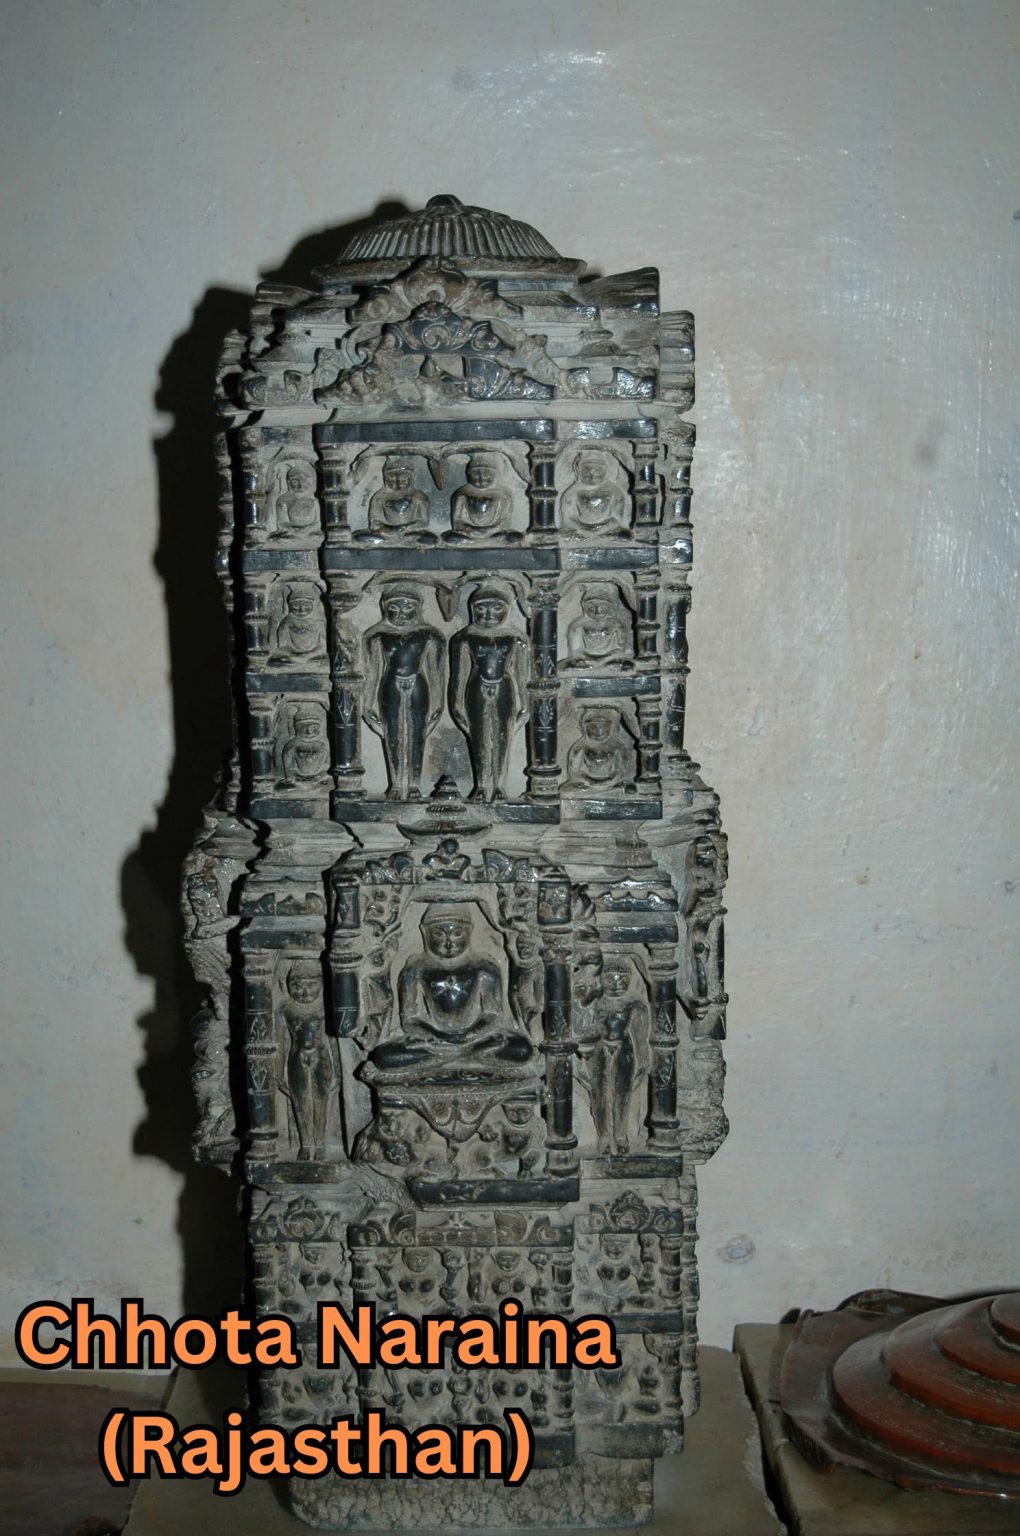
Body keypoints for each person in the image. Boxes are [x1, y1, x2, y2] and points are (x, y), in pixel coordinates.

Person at [372, 907, 532, 1070]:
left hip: (475, 1037)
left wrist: (468, 1036)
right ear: (424, 932)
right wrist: (438, 1036)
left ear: (470, 931)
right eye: (438, 934)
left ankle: (451, 1054)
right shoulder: (415, 970)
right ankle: (466, 1052)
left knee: (522, 1050)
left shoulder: (485, 968)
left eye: (457, 934)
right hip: (434, 1039)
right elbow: (410, 1020)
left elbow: (492, 1015)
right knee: (385, 1057)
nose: (448, 943)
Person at [364, 586, 444, 800]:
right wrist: (367, 705)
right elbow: (372, 673)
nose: (401, 613)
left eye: (408, 607)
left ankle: (414, 783)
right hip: (390, 684)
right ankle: (397, 783)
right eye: (394, 607)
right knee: (393, 734)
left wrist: (438, 704)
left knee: (417, 734)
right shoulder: (377, 635)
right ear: (384, 608)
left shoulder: (429, 635)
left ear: (418, 609)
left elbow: (436, 674)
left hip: (418, 684)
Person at [449, 586, 527, 802]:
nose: (488, 615)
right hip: (476, 688)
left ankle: (499, 784)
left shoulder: (514, 638)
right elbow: (459, 677)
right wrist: (456, 705)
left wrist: (525, 705)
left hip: (504, 687)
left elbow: (521, 676)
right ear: (472, 610)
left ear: (507, 610)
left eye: (496, 608)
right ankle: (483, 784)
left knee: (503, 736)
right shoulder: (464, 638)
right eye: (481, 609)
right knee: (479, 737)